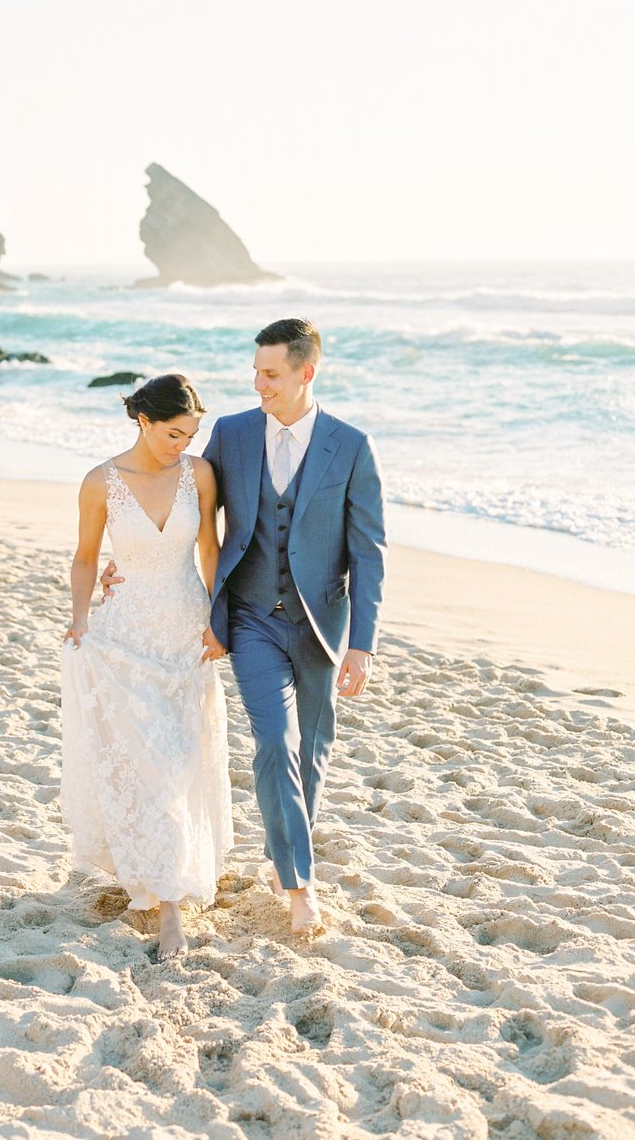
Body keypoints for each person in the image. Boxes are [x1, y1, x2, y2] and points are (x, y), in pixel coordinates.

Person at [105, 318, 384, 934]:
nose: (257, 383)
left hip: (320, 628)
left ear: (306, 373)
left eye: (271, 373)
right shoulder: (230, 436)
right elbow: (182, 505)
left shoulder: (351, 446)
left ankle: (286, 849)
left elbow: (368, 552)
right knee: (274, 742)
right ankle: (298, 886)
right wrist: (123, 563)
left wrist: (362, 644)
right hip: (252, 617)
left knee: (311, 752)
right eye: (256, 370)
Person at [60, 374, 233, 962]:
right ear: (143, 420)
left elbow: (209, 548)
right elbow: (85, 559)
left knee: (182, 760)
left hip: (185, 633)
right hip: (126, 636)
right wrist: (80, 618)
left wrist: (218, 618)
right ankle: (168, 912)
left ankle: (168, 877)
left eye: (190, 435)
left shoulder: (199, 475)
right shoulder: (100, 483)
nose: (180, 445)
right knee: (149, 765)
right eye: (172, 433)